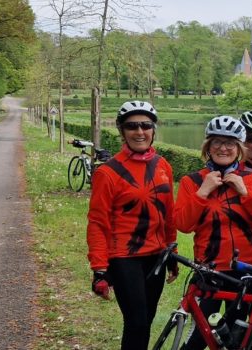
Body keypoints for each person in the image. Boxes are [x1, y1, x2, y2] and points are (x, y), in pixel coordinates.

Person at [174, 115, 252, 349]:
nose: (223, 148)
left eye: (230, 143)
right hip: (208, 270)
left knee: (240, 338)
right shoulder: (192, 182)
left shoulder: (251, 182)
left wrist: (245, 193)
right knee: (199, 339)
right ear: (208, 147)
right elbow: (183, 224)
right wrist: (202, 192)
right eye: (217, 142)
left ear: (239, 149)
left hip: (244, 272)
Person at [86, 100, 178, 350]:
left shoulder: (162, 166)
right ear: (122, 131)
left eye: (146, 125)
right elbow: (97, 223)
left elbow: (168, 213)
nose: (140, 132)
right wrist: (99, 268)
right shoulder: (108, 173)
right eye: (132, 126)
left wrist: (172, 250)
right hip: (125, 258)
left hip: (156, 256)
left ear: (153, 129)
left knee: (146, 321)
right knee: (136, 322)